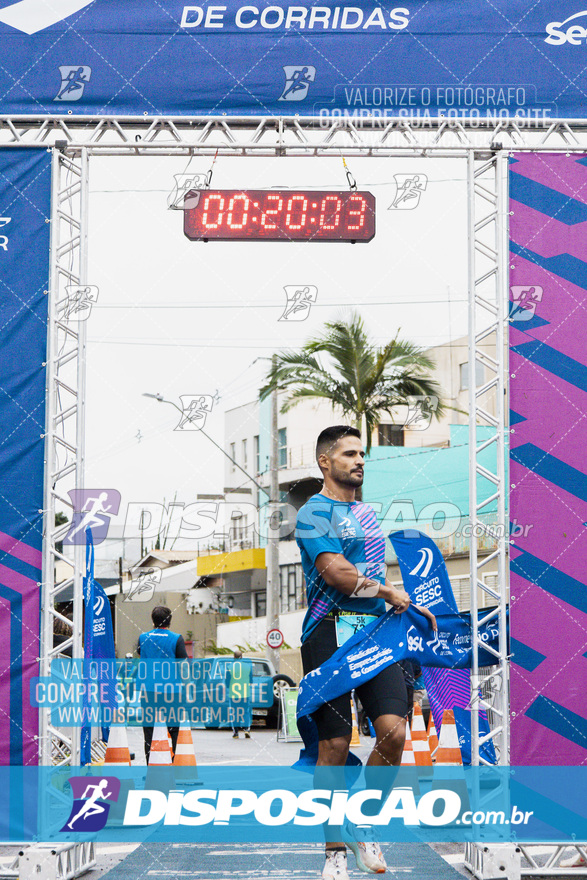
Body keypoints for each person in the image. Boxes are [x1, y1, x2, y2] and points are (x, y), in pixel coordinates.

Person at [296, 425, 437, 880]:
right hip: (328, 634)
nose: (360, 460)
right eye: (350, 453)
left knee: (395, 733)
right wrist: (391, 594)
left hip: (376, 635)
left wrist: (398, 603)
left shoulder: (367, 513)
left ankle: (364, 820)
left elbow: (372, 573)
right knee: (334, 746)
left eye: (363, 454)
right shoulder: (313, 514)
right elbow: (338, 575)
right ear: (325, 462)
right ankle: (334, 853)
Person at [137, 606, 188, 762]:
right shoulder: (176, 638)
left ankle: (151, 765)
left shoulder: (143, 638)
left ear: (153, 621)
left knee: (149, 730)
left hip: (149, 691)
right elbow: (183, 663)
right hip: (171, 691)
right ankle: (174, 764)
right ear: (170, 621)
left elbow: (140, 653)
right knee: (174, 730)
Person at [230, 650, 251, 739]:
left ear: (234, 657)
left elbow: (227, 681)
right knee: (245, 711)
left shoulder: (230, 667)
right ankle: (246, 729)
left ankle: (236, 733)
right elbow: (251, 680)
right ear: (241, 657)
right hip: (245, 693)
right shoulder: (247, 667)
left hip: (234, 694)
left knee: (235, 713)